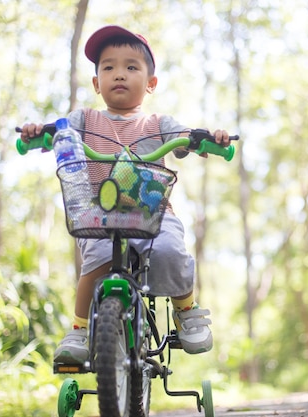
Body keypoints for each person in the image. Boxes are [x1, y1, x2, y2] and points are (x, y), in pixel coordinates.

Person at [20, 25, 230, 364]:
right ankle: (79, 328)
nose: (119, 74)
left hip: (153, 214)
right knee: (96, 257)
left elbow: (187, 136)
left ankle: (186, 308)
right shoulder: (84, 119)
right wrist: (38, 133)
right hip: (98, 214)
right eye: (109, 67)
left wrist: (208, 138)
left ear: (150, 83)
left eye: (131, 67)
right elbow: (57, 130)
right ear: (96, 82)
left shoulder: (158, 124)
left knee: (168, 248)